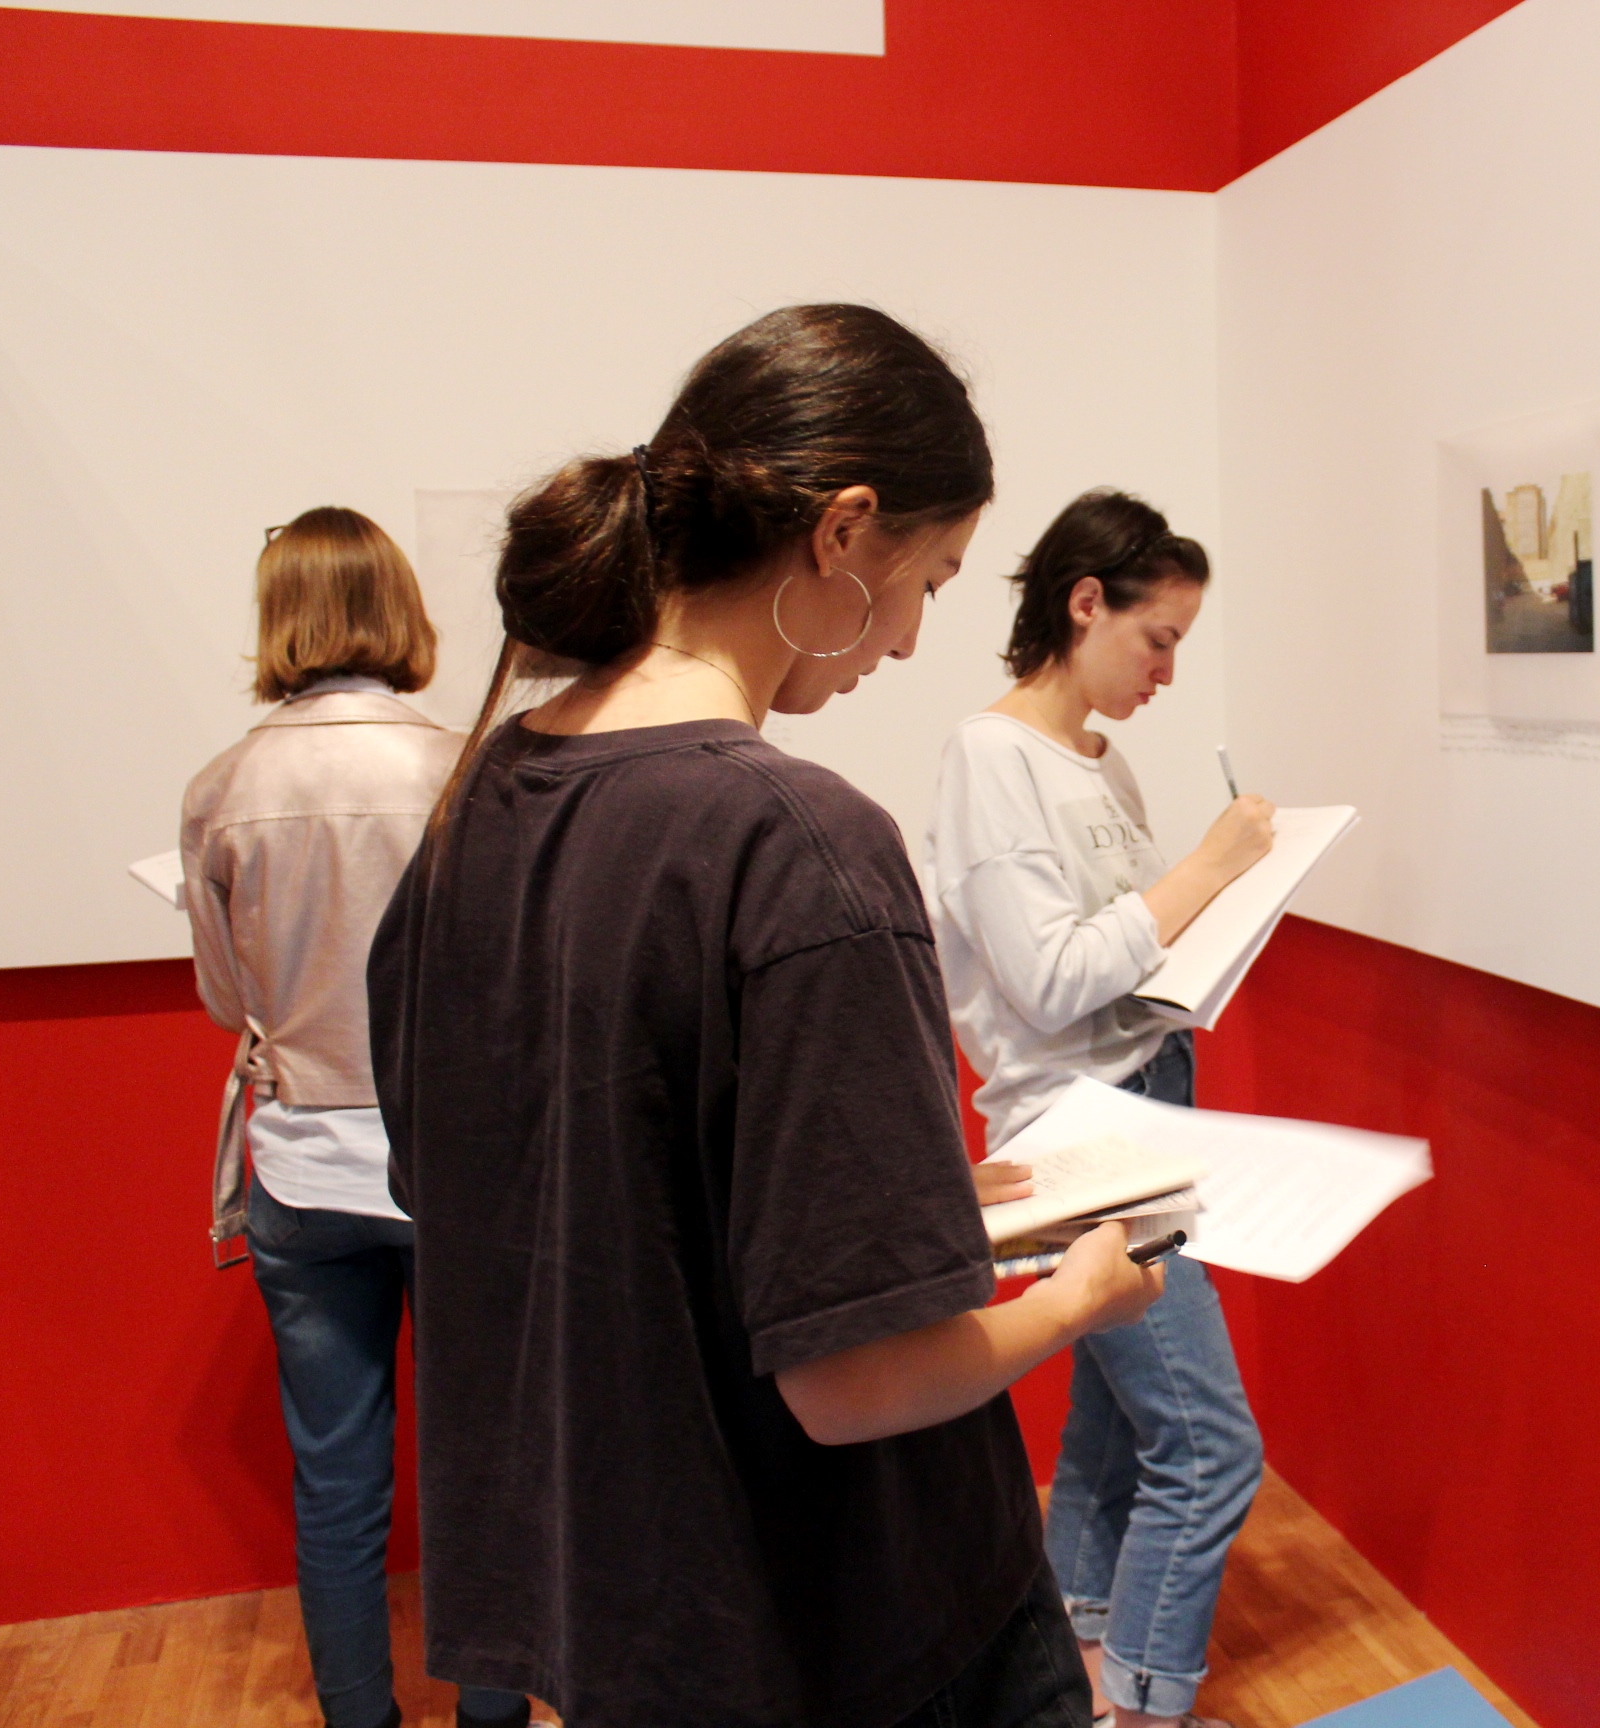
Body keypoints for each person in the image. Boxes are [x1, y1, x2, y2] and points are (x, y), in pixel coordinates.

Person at [366, 305, 1163, 1728]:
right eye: (930, 582)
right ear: (843, 533)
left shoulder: (476, 807)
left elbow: (528, 1200)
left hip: (629, 1613)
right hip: (848, 1627)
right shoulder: (795, 842)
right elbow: (854, 1384)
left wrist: (906, 1216)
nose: (908, 643)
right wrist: (1077, 1300)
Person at [925, 490, 1272, 1728]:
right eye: (1157, 639)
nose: (1166, 672)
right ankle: (1145, 1706)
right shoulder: (990, 758)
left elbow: (1127, 952)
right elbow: (1051, 978)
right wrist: (1208, 869)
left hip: (1144, 1097)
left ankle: (1072, 1678)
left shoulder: (1098, 760)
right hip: (1078, 1131)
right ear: (1085, 604)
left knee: (1116, 1432)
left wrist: (1216, 913)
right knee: (1210, 1450)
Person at [181, 507, 530, 1728]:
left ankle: (360, 1719)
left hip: (303, 1171)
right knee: (484, 1468)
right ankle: (494, 1716)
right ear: (400, 610)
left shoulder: (222, 788)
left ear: (278, 619)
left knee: (336, 1482)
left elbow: (223, 997)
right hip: (456, 1167)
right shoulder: (472, 768)